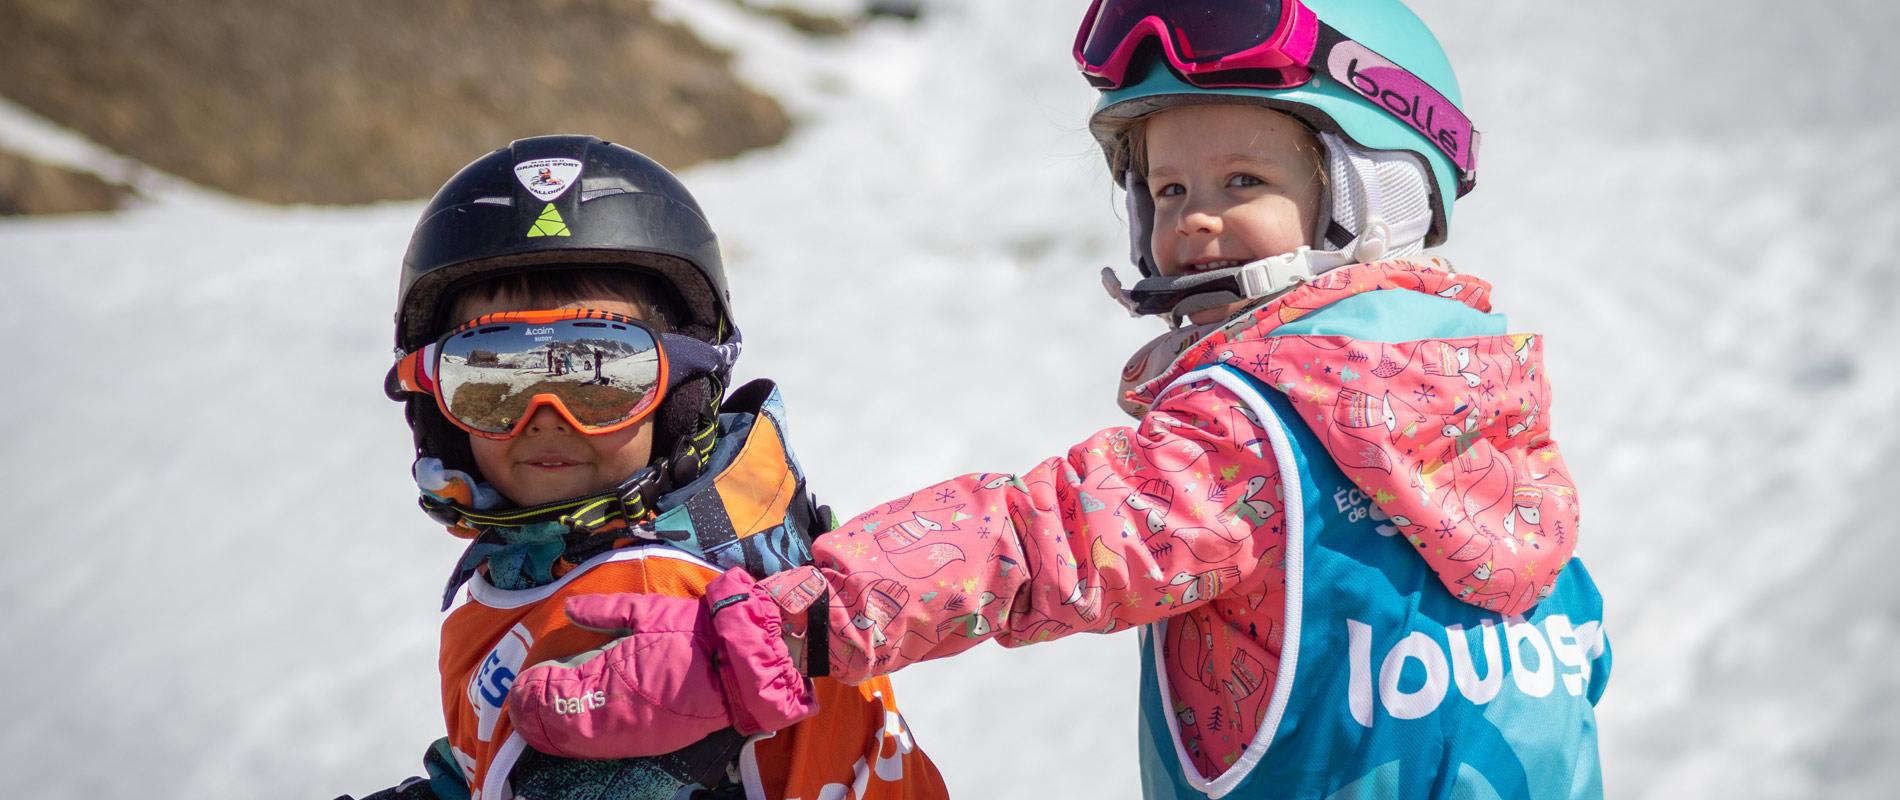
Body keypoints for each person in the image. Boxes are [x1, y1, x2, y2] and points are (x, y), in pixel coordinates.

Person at [511, 3, 1612, 798]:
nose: (1195, 220)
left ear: (1379, 191)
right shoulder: (1494, 409)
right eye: (1170, 187)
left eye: (1243, 183)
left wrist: (759, 640)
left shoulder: (1258, 433)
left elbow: (1027, 542)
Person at [341, 135, 947, 800]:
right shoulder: (554, 564)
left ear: (683, 391)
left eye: (601, 376)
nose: (546, 415)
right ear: (435, 402)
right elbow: (489, 759)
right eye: (493, 379)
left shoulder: (652, 624)